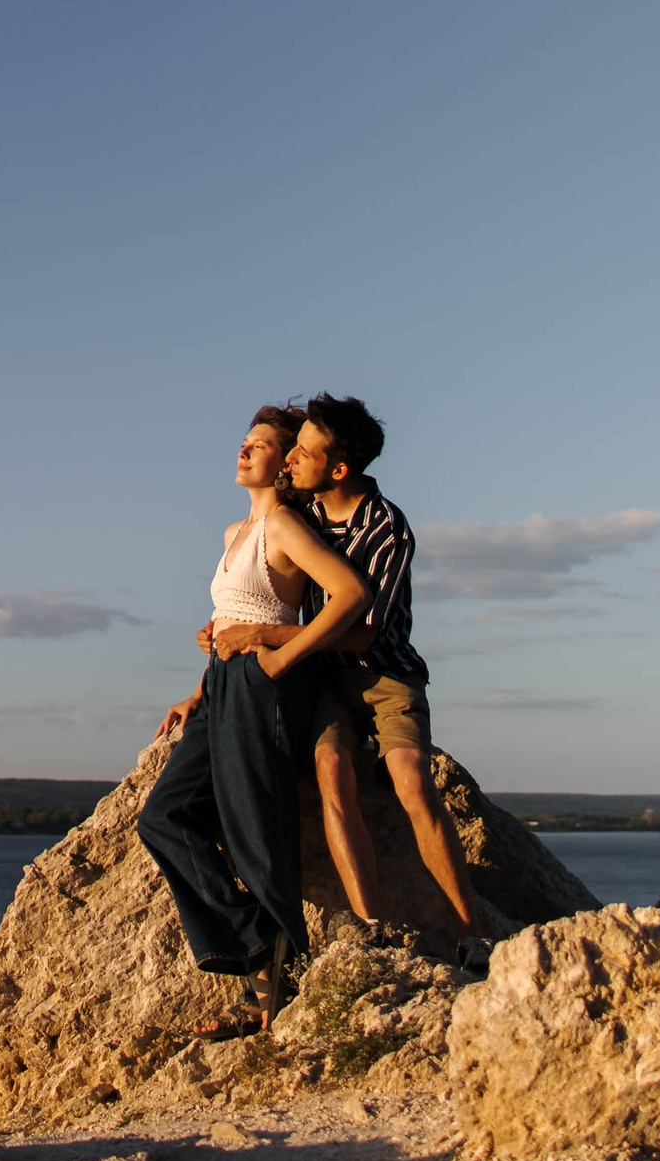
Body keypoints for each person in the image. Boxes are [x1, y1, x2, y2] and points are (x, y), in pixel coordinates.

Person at [210, 394, 495, 965]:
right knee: (333, 773)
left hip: (385, 675)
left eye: (303, 452)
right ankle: (373, 928)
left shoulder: (388, 527)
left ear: (339, 469)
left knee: (412, 781)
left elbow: (363, 634)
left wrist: (268, 637)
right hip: (322, 679)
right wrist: (226, 630)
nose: (290, 459)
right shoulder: (301, 517)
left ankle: (474, 933)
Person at [138, 406, 371, 1037]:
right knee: (164, 816)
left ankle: (268, 997)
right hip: (222, 683)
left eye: (262, 444)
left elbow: (352, 595)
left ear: (285, 464)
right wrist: (198, 688)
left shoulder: (286, 526)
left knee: (256, 830)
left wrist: (281, 656)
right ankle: (258, 938)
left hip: (262, 683)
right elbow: (234, 612)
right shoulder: (234, 532)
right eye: (245, 441)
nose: (245, 450)